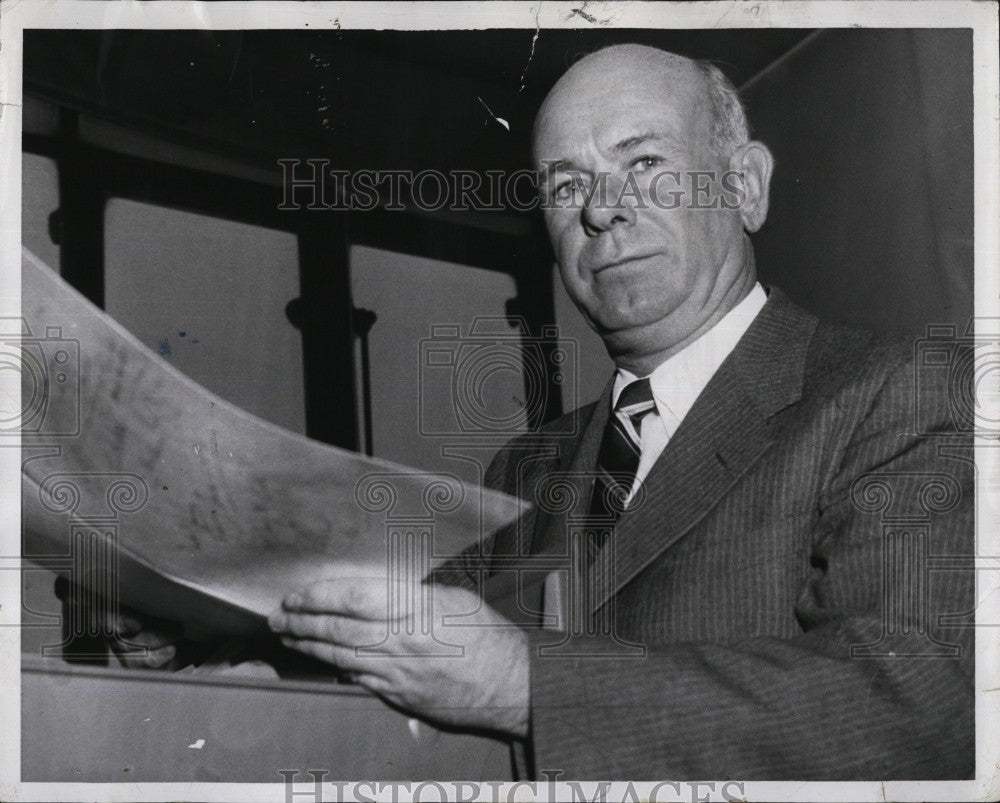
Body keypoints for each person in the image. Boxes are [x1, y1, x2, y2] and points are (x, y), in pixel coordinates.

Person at [130, 44, 977, 779]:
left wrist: (526, 681)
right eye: (567, 184)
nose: (601, 209)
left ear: (745, 185)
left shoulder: (897, 391)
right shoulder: (530, 466)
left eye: (643, 163)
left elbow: (916, 705)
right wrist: (208, 633)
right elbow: (424, 647)